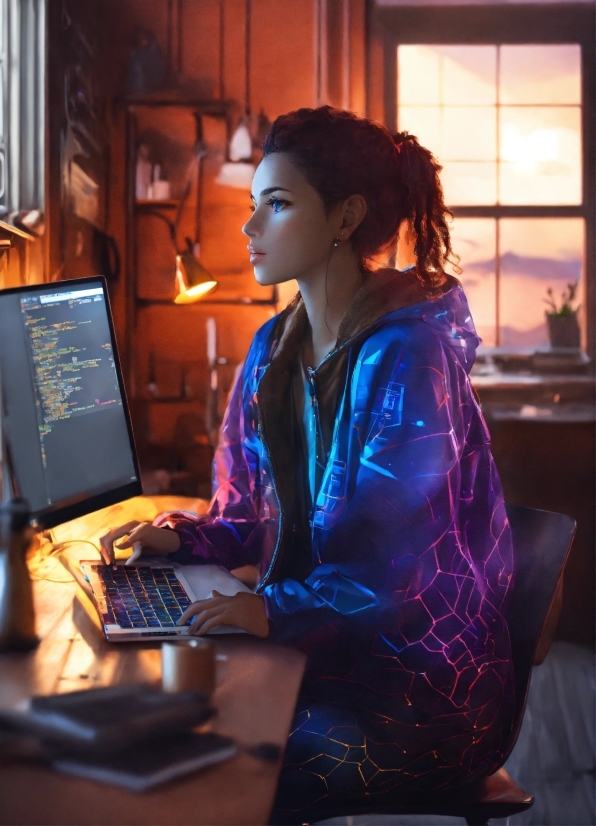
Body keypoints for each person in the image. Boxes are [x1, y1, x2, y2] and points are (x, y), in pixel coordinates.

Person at [100, 107, 515, 824]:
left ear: (345, 218)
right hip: (322, 658)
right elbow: (245, 515)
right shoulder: (273, 349)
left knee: (206, 771)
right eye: (253, 204)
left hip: (423, 694)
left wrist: (265, 608)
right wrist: (182, 538)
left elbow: (393, 579)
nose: (250, 227)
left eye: (279, 204)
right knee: (158, 733)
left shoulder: (410, 359)